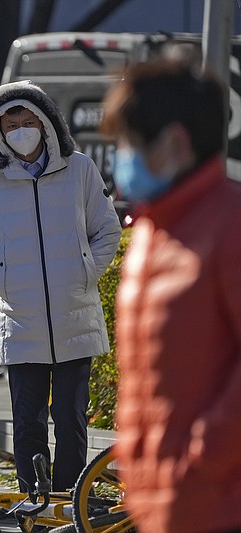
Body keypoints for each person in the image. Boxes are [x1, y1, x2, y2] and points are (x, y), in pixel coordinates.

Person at [102, 60, 241, 533]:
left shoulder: (229, 225)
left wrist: (201, 459)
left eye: (129, 144)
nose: (122, 158)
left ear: (176, 143)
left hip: (220, 502)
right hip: (169, 503)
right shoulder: (151, 231)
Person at [0, 80, 121, 493]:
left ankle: (71, 497)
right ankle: (34, 495)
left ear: (46, 122)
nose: (20, 129)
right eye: (10, 122)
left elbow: (107, 230)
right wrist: (6, 283)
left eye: (27, 119)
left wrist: (86, 272)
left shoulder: (80, 169)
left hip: (76, 316)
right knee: (27, 418)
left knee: (71, 418)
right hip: (22, 320)